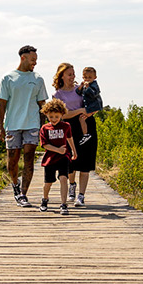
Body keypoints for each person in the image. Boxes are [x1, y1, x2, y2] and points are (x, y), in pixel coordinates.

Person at [0, 45, 50, 207]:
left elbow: (43, 105)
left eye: (36, 60)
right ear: (23, 58)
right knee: (12, 160)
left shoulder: (38, 79)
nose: (35, 63)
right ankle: (15, 185)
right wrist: (0, 126)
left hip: (32, 124)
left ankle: (23, 195)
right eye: (33, 60)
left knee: (28, 158)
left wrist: (43, 127)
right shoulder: (8, 78)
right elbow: (1, 104)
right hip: (13, 125)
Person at [50, 62, 97, 207]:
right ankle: (72, 185)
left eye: (73, 74)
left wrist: (89, 113)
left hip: (87, 125)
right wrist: (80, 111)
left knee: (85, 162)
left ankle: (81, 196)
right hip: (69, 128)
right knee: (71, 161)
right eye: (69, 74)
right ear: (62, 76)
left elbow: (95, 104)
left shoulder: (81, 89)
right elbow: (62, 115)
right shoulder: (57, 94)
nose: (73, 77)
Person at [37, 98, 79, 214]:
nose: (54, 119)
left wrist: (74, 152)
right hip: (50, 159)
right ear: (46, 115)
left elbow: (70, 138)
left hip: (63, 157)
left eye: (56, 116)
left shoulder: (66, 126)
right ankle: (45, 199)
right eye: (51, 117)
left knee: (63, 178)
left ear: (61, 114)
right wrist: (57, 150)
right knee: (48, 183)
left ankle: (63, 204)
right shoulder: (45, 128)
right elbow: (44, 145)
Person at [77, 66, 103, 145]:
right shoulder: (84, 85)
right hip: (89, 107)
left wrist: (88, 87)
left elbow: (94, 94)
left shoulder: (94, 85)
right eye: (85, 77)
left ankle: (85, 134)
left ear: (95, 77)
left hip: (94, 106)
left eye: (90, 77)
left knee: (81, 118)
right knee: (82, 118)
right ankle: (85, 134)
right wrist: (80, 87)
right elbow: (78, 93)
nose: (87, 79)